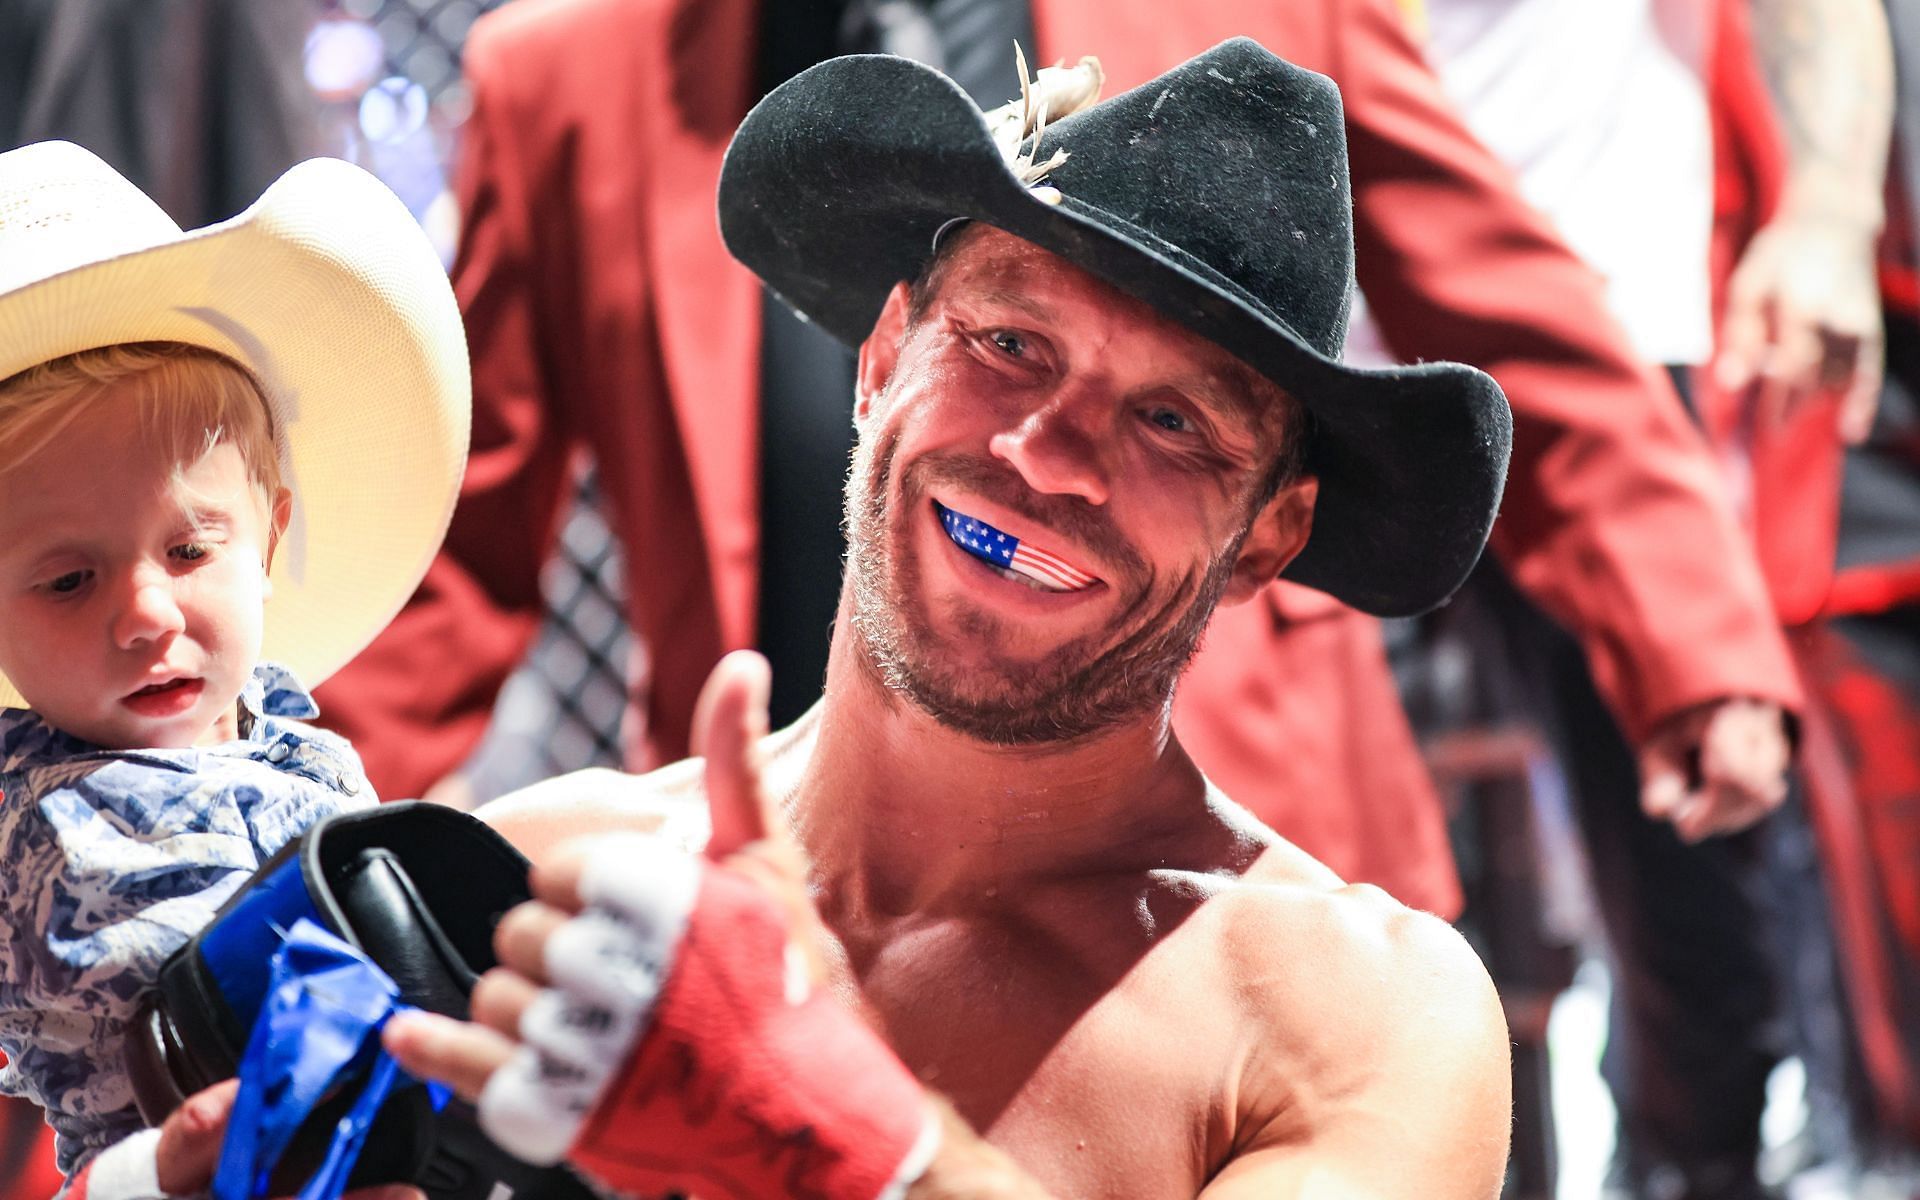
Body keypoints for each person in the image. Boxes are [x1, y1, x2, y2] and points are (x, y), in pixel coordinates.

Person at [318, 0, 1799, 924]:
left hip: (1226, 861)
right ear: (885, 344)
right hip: (782, 887)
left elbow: (1507, 309)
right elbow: (453, 549)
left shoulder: (1258, 10)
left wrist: (1690, 635)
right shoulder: (562, 74)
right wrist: (270, 814)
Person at [361, 41, 1520, 1199]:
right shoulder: (533, 879)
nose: (1052, 456)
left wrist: (838, 1131)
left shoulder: (1356, 1024)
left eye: (1173, 423)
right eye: (1011, 346)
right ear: (880, 359)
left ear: (1267, 535)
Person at [0, 141, 468, 1183]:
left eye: (188, 549)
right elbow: (221, 991)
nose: (145, 612)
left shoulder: (298, 754)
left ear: (268, 542)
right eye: (68, 581)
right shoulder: (57, 821)